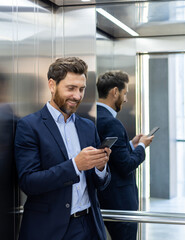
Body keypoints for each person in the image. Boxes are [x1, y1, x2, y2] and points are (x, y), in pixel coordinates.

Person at [14, 57, 112, 240]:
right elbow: (29, 182)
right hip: (50, 230)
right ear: (52, 85)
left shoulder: (88, 126)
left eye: (81, 89)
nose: (77, 96)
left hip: (90, 226)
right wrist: (75, 165)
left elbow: (100, 183)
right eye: (71, 88)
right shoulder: (29, 126)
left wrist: (100, 167)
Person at [96, 71, 154, 240]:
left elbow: (109, 154)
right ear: (115, 92)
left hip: (104, 198)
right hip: (120, 201)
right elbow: (125, 166)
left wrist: (130, 144)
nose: (126, 98)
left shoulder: (94, 118)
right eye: (125, 93)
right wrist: (142, 146)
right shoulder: (112, 123)